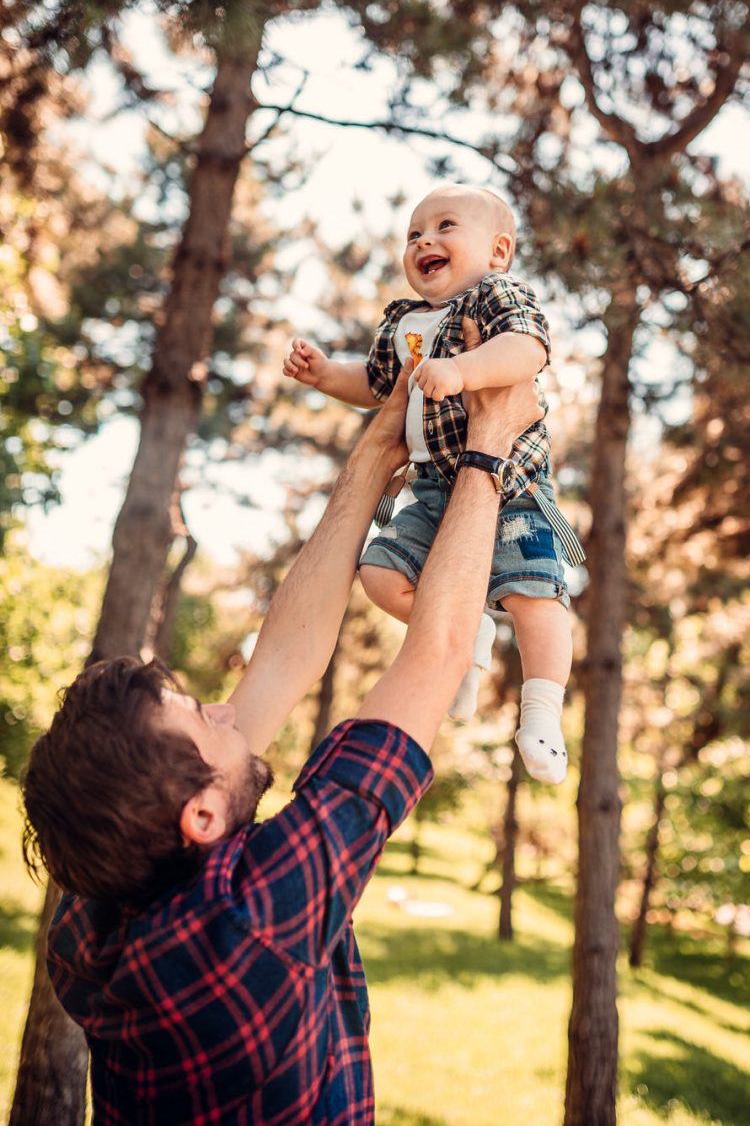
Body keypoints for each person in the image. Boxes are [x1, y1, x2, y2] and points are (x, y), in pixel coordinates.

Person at [21, 339, 541, 1126]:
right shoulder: (253, 924)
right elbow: (434, 661)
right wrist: (488, 454)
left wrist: (375, 451)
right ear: (198, 817)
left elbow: (278, 665)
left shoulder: (91, 913)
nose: (229, 710)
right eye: (206, 719)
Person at [284, 183, 582, 785]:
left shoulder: (494, 297)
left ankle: (542, 710)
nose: (425, 240)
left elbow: (528, 350)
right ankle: (465, 626)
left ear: (498, 251)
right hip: (433, 489)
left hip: (514, 483)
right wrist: (323, 377)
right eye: (414, 233)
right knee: (379, 573)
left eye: (445, 226)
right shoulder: (403, 321)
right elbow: (374, 387)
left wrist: (463, 369)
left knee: (536, 596)